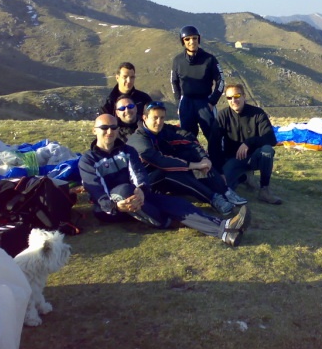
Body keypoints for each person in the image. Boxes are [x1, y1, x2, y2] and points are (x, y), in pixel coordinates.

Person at [78, 113, 251, 247]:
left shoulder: (127, 151)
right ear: (94, 130)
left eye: (113, 127)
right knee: (124, 190)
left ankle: (225, 230)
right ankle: (165, 221)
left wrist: (142, 189)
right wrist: (115, 206)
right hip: (110, 209)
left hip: (138, 199)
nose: (109, 131)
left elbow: (139, 173)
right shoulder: (88, 160)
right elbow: (97, 191)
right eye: (104, 128)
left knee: (178, 204)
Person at [130, 101, 247, 216]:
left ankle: (225, 191)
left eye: (162, 118)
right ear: (145, 118)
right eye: (155, 118)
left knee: (191, 155)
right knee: (169, 172)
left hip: (163, 174)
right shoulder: (139, 140)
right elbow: (161, 162)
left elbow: (187, 138)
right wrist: (193, 165)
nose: (159, 122)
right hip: (145, 183)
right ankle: (213, 198)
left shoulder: (163, 130)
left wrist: (203, 158)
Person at [209, 83, 282, 205]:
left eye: (237, 96)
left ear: (244, 96)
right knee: (222, 189)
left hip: (255, 157)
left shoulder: (257, 114)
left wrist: (249, 142)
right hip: (234, 159)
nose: (233, 100)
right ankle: (243, 177)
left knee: (267, 150)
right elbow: (214, 144)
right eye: (229, 98)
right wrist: (219, 171)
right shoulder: (223, 116)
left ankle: (264, 190)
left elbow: (271, 139)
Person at [170, 26, 225, 141]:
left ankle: (217, 154)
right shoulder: (177, 61)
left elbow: (220, 80)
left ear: (198, 39)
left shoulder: (210, 59)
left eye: (194, 38)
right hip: (186, 103)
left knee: (214, 137)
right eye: (187, 39)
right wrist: (178, 103)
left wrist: (212, 101)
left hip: (205, 102)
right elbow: (174, 82)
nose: (192, 42)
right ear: (182, 41)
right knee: (187, 139)